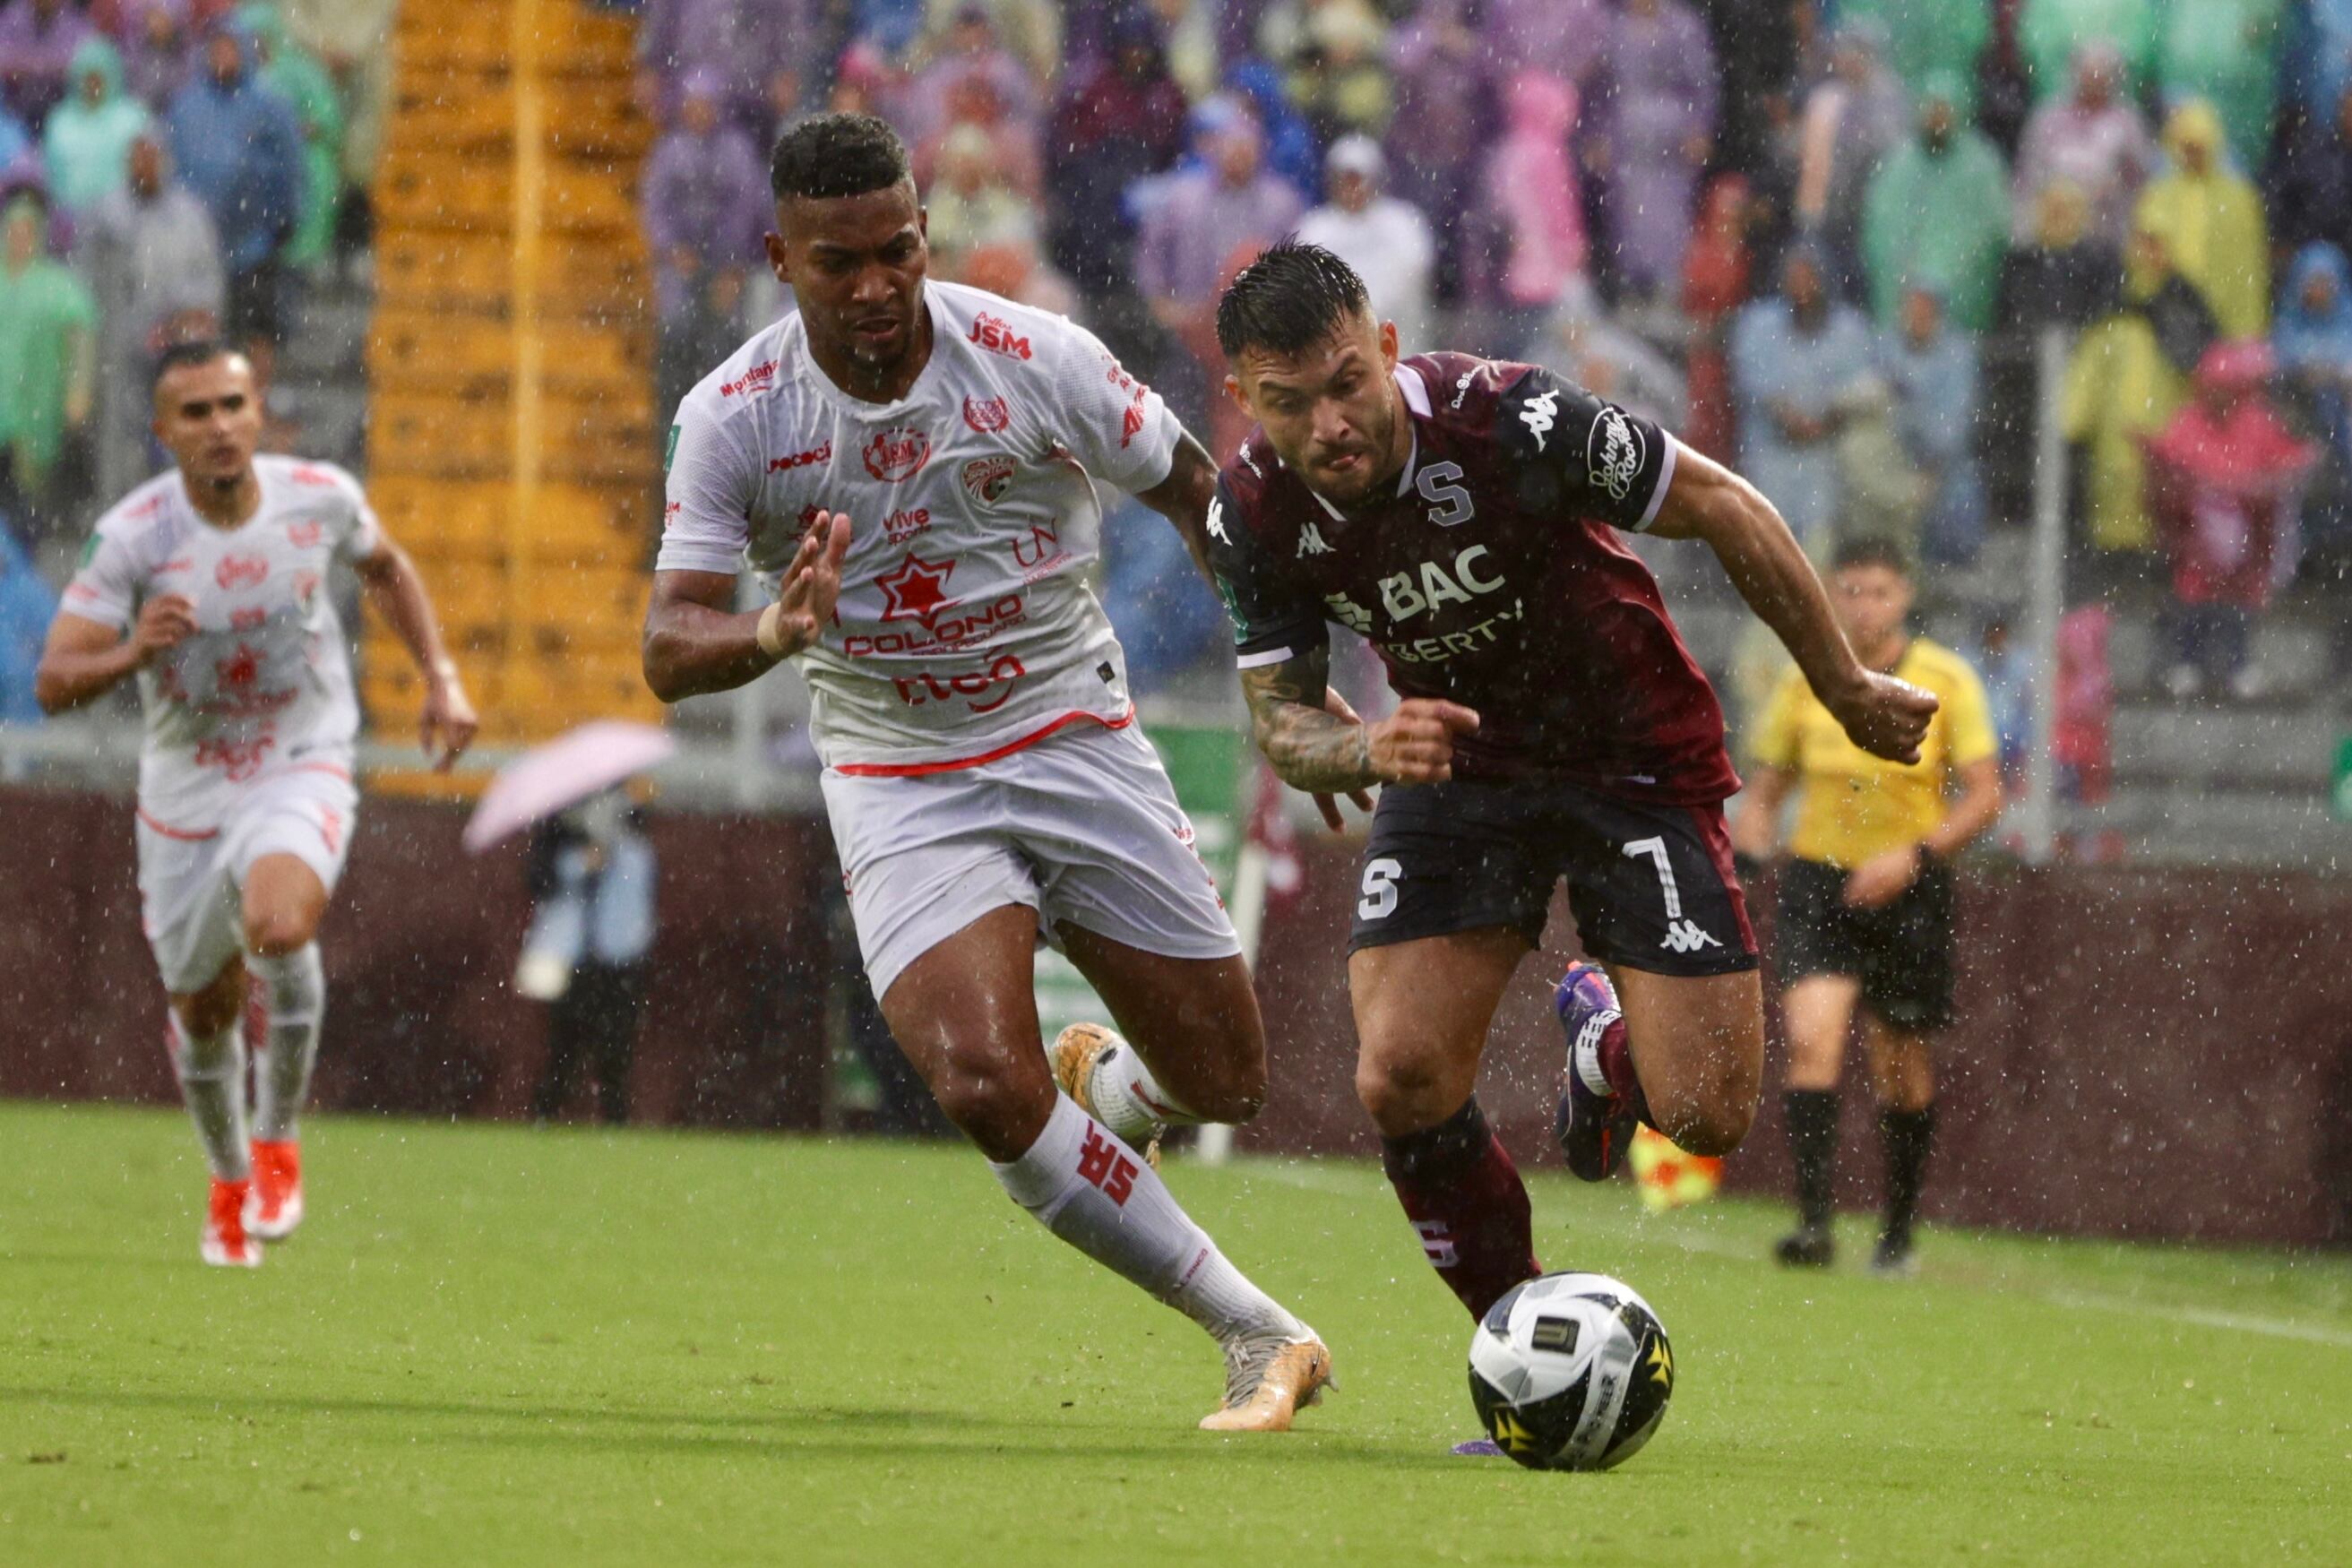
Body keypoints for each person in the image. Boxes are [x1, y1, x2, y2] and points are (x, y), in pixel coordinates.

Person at [642, 114, 1331, 1432]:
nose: (877, 287)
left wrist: (1282, 688)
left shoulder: (1028, 352)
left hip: (1073, 732)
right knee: (978, 1077)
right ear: (780, 256)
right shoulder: (733, 415)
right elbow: (669, 645)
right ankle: (1257, 1331)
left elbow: (1200, 496)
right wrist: (772, 630)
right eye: (839, 262)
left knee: (1228, 1082)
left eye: (898, 250)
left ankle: (1119, 1090)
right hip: (903, 774)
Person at [1202, 240, 1934, 1339]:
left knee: (1706, 1112)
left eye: (1348, 383)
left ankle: (1606, 1046)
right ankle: (1518, 1339)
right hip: (1456, 761)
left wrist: (1839, 683)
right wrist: (1363, 750)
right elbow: (1285, 721)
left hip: (1629, 747)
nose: (1330, 425)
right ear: (1245, 399)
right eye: (1289, 403)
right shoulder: (1252, 509)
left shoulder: (1513, 420)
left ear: (1387, 348)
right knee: (1399, 1071)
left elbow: (1725, 503)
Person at [33, 340, 478, 1267]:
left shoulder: (316, 494)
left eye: (233, 405)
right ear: (163, 432)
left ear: (258, 410)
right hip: (186, 788)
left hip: (299, 756)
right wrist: (133, 652)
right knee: (204, 1013)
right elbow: (53, 679)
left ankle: (277, 1137)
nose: (220, 426)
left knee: (279, 925)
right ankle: (229, 1171)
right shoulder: (133, 538)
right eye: (195, 413)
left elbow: (387, 566)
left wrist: (439, 675)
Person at [1733, 538, 2001, 1274]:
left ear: (1904, 597)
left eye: (1878, 592)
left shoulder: (1944, 678)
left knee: (1900, 1065)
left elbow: (1984, 794)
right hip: (1821, 880)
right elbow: (1768, 786)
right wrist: (1750, 836)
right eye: (1849, 591)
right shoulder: (1807, 679)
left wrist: (1913, 857)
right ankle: (1815, 1224)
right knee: (1813, 1038)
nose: (1863, 606)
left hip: (1910, 884)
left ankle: (1897, 1231)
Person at [78, 131, 224, 499]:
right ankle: (119, 507)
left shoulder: (189, 216)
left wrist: (176, 319)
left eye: (151, 156)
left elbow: (209, 283)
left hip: (176, 348)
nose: (144, 165)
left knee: (177, 427)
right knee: (120, 433)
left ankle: (180, 504)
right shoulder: (107, 214)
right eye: (137, 157)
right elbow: (85, 278)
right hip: (120, 344)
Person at [520, 790, 655, 1126]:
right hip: (572, 960)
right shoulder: (562, 844)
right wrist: (582, 862)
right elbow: (540, 882)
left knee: (616, 1055)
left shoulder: (634, 855)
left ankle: (613, 1120)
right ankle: (545, 1116)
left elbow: (636, 909)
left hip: (618, 963)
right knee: (562, 1050)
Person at [163, 22, 301, 349]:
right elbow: (173, 162)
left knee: (255, 329)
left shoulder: (270, 106)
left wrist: (284, 218)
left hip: (255, 241)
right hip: (197, 244)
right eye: (217, 49)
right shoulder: (187, 106)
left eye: (231, 49)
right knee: (203, 332)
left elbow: (290, 164)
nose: (223, 57)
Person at [0, 191, 97, 548]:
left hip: (35, 409)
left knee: (28, 501)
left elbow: (81, 338)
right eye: (13, 230)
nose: (19, 239)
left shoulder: (57, 285)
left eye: (26, 231)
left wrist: (78, 393)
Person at [1295, 134, 1434, 354]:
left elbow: (1411, 275)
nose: (1353, 188)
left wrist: (1367, 314)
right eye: (1345, 180)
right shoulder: (1314, 228)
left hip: (1402, 347)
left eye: (1358, 179)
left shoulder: (1404, 223)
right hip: (1337, 350)